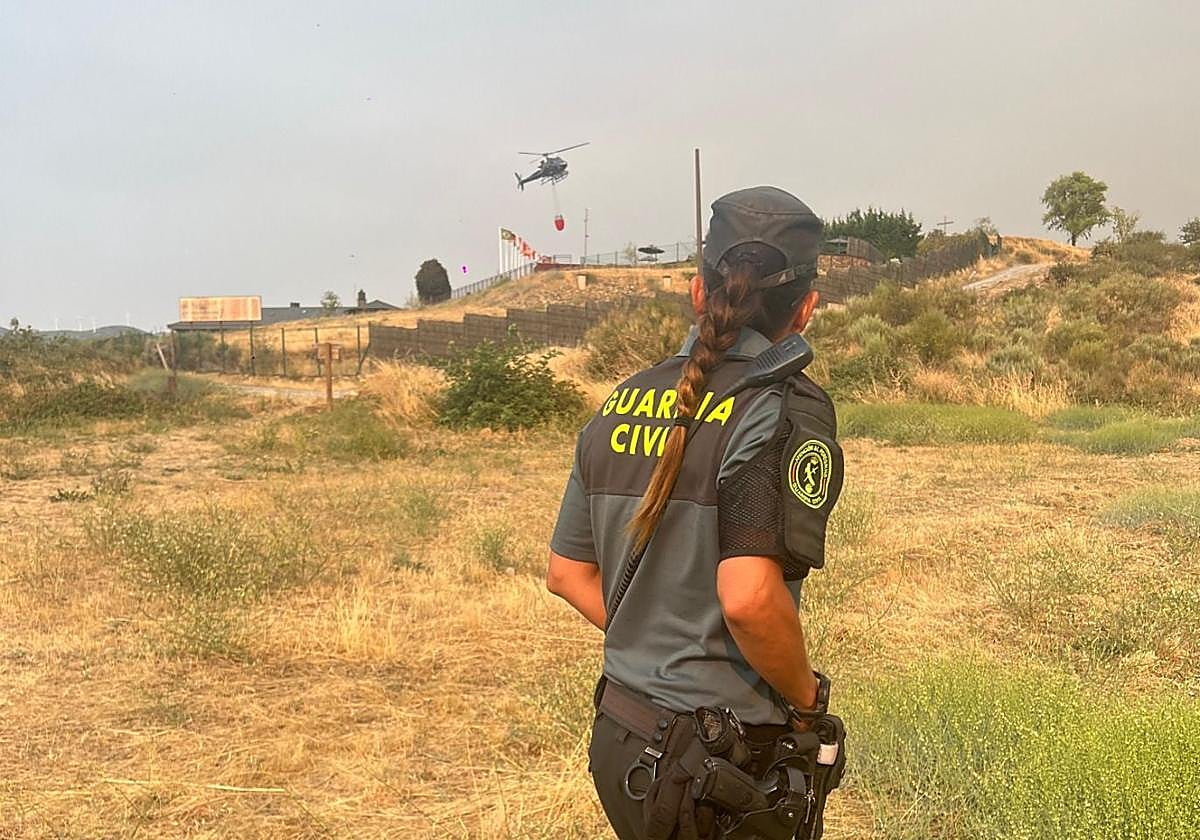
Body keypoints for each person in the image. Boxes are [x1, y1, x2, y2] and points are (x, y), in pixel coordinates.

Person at [546, 186, 844, 839]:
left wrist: (655, 646)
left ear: (698, 291)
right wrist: (807, 701)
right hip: (717, 768)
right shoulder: (778, 407)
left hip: (622, 739)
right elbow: (749, 599)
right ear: (806, 309)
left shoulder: (619, 401)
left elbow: (566, 573)